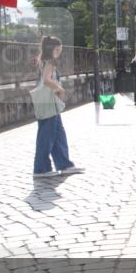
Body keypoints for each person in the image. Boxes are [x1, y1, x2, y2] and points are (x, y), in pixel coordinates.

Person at [33, 36, 84, 178]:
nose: (60, 52)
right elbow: (46, 80)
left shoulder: (42, 60)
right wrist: (60, 89)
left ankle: (64, 164)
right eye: (59, 50)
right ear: (54, 49)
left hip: (49, 103)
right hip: (49, 103)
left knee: (57, 134)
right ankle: (41, 169)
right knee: (46, 136)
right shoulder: (50, 62)